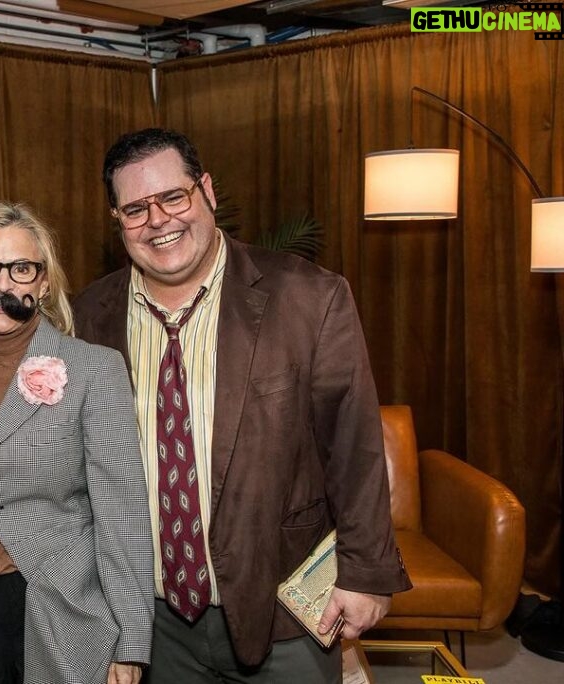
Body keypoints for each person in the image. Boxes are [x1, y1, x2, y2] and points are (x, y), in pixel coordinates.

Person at [71, 128, 412, 683]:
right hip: (153, 620)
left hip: (283, 607)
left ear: (205, 190)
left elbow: (354, 446)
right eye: (135, 209)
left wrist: (367, 572)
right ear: (117, 219)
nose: (158, 220)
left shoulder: (309, 298)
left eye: (173, 197)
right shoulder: (89, 315)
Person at [0, 201, 154, 684]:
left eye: (21, 269)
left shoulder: (94, 369)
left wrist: (132, 640)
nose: (2, 285)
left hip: (61, 602)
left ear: (43, 283)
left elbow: (122, 513)